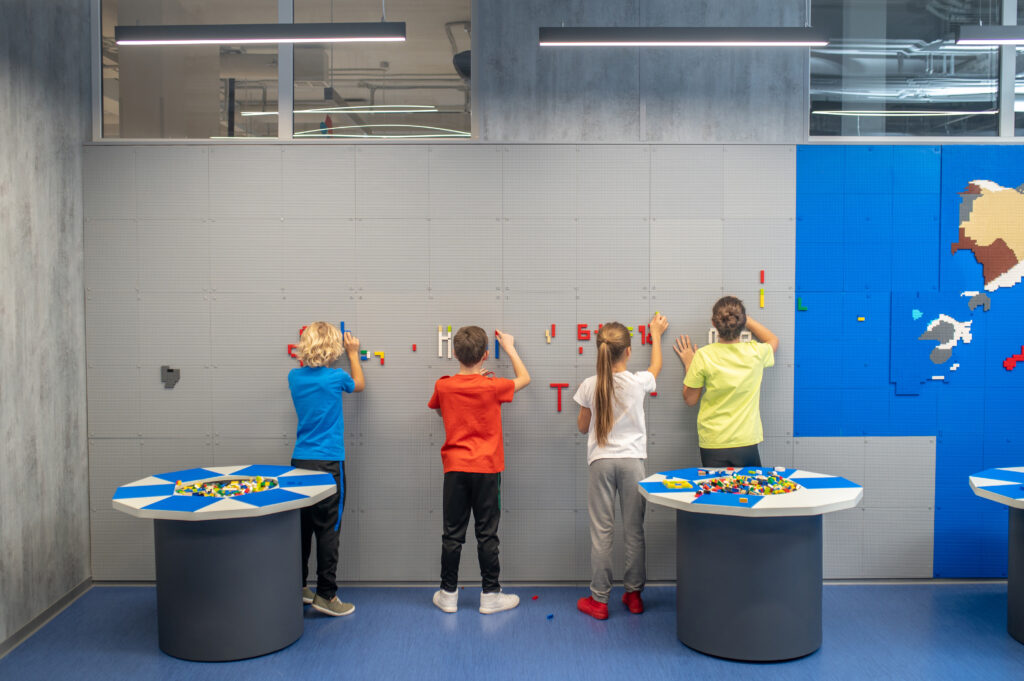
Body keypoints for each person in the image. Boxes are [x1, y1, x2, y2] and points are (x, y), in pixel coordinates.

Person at [428, 326, 530, 614]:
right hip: (487, 469)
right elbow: (525, 378)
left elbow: (439, 410)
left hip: (455, 469)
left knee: (452, 534)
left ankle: (448, 595)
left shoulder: (443, 386)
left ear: (455, 353)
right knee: (487, 534)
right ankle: (490, 596)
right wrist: (509, 347)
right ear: (485, 355)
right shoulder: (493, 386)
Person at [573, 314, 668, 620]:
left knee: (602, 533)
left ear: (600, 350)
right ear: (628, 351)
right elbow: (656, 366)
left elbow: (582, 427)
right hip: (633, 464)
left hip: (601, 463)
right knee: (634, 531)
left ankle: (599, 601)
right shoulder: (638, 382)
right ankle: (634, 595)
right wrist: (655, 334)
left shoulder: (589, 385)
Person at [288, 321, 365, 617]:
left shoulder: (294, 377)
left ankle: (298, 587)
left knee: (302, 528)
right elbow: (358, 384)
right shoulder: (336, 377)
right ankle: (326, 595)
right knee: (328, 530)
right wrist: (353, 353)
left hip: (299, 462)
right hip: (329, 462)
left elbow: (306, 369)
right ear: (334, 349)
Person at [674, 296, 778, 468]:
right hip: (745, 439)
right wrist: (745, 320)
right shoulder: (756, 352)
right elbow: (773, 340)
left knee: (717, 486)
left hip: (713, 441)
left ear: (713, 323)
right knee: (750, 485)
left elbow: (690, 399)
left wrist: (689, 365)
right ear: (742, 322)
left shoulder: (703, 356)